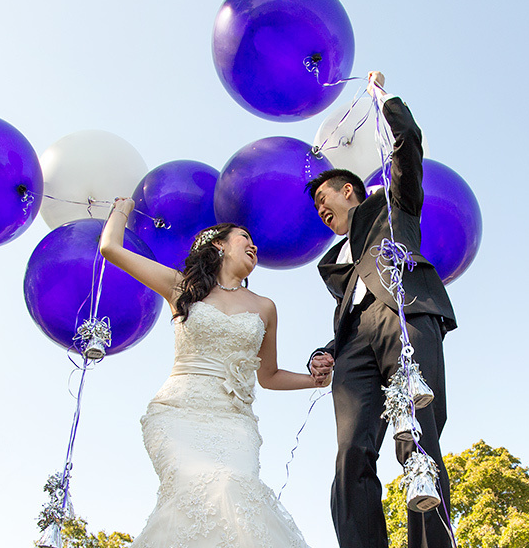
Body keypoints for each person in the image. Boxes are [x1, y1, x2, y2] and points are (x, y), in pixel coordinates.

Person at [100, 199, 323, 548]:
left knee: (233, 485)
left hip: (234, 423)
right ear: (219, 244)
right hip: (178, 413)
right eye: (244, 237)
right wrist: (122, 209)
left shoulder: (265, 307)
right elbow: (110, 248)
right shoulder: (182, 288)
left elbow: (269, 376)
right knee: (197, 492)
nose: (254, 245)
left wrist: (316, 379)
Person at [306, 71, 457, 548]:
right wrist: (326, 350)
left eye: (322, 197)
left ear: (348, 189)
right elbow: (352, 305)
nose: (319, 209)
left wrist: (381, 95)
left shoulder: (394, 203)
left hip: (406, 315)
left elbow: (406, 142)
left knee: (417, 435)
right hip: (354, 347)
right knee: (350, 454)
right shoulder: (332, 263)